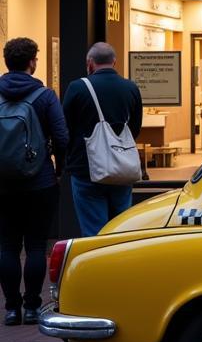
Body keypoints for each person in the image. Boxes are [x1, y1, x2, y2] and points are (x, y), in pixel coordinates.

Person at [0, 38, 69, 326]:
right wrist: (58, 169)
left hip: (2, 183)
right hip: (39, 181)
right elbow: (62, 136)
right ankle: (31, 307)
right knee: (37, 246)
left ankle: (11, 308)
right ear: (32, 62)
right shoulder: (45, 96)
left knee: (7, 246)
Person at [62, 42, 143, 238]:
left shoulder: (77, 88)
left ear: (90, 63)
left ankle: (97, 265)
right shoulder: (131, 88)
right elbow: (135, 128)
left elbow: (66, 128)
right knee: (121, 227)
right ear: (114, 62)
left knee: (93, 231)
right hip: (121, 168)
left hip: (86, 168)